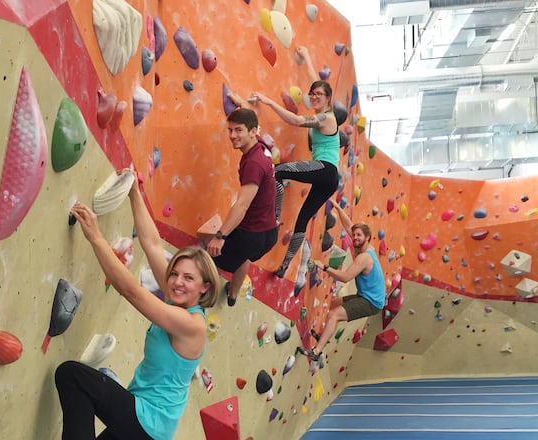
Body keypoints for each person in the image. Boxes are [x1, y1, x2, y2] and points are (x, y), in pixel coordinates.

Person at [55, 176, 219, 440]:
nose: (177, 282)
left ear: (205, 288)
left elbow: (132, 291)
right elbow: (152, 244)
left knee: (72, 376)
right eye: (175, 273)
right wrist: (134, 192)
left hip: (150, 421)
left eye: (188, 278)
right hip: (146, 418)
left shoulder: (191, 324)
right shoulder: (177, 298)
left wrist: (96, 238)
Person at [251, 45, 340, 279]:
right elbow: (316, 85)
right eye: (312, 95)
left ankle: (276, 217)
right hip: (329, 180)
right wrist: (308, 56)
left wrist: (269, 103)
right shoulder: (324, 107)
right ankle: (285, 265)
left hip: (326, 170)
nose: (313, 97)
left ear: (328, 100)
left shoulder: (325, 118)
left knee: (278, 171)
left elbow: (298, 120)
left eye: (318, 96)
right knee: (302, 219)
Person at [206, 105, 279, 306]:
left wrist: (220, 237)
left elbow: (242, 206)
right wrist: (240, 102)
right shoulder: (262, 145)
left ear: (252, 131)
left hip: (252, 235)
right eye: (230, 130)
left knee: (208, 257)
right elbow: (253, 122)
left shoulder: (253, 163)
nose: (232, 135)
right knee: (243, 256)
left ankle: (202, 300)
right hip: (269, 232)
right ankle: (232, 295)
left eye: (238, 130)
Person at [305, 199, 386, 362]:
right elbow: (350, 226)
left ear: (367, 237)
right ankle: (323, 336)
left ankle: (317, 351)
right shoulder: (365, 246)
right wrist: (337, 208)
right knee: (334, 304)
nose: (354, 237)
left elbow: (346, 277)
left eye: (358, 236)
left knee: (335, 314)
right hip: (366, 295)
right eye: (354, 235)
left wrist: (324, 267)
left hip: (372, 302)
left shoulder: (364, 257)